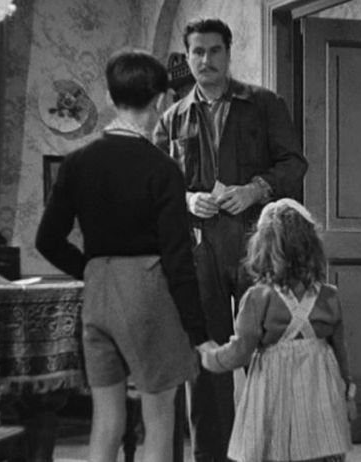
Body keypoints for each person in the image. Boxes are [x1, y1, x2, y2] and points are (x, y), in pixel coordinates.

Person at [35, 49, 209, 462]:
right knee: (159, 420)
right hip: (148, 291)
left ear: (110, 98)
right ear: (160, 99)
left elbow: (47, 240)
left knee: (106, 420)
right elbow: (177, 258)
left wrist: (91, 269)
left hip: (97, 292)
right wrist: (199, 331)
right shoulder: (162, 168)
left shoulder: (76, 163)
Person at [153, 18, 308, 462]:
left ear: (228, 52)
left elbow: (295, 164)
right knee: (207, 356)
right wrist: (187, 199)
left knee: (275, 347)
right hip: (199, 250)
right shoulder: (172, 118)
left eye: (215, 50)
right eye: (198, 52)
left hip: (259, 244)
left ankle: (280, 451)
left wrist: (256, 189)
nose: (206, 60)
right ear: (188, 56)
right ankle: (212, 457)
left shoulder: (263, 104)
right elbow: (157, 186)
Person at [199, 198, 356, 462]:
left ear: (262, 248)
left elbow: (241, 351)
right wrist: (348, 392)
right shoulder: (330, 296)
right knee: (322, 448)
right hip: (320, 396)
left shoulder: (257, 298)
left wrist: (212, 358)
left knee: (273, 449)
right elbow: (340, 351)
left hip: (273, 393)